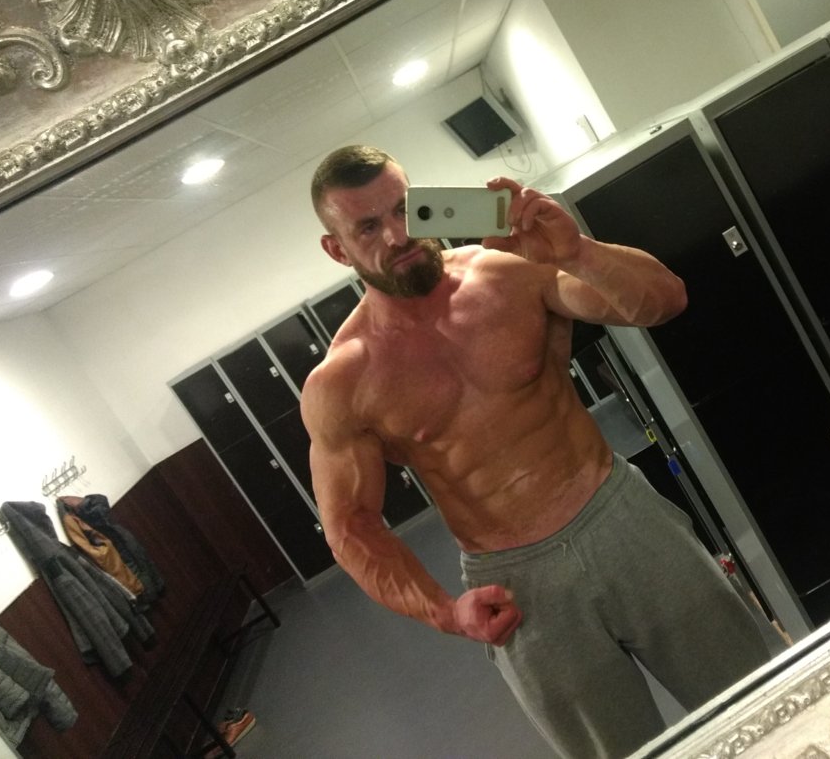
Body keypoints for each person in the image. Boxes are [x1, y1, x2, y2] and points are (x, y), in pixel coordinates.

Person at [302, 145, 774, 759]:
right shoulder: (343, 380)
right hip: (517, 587)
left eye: (404, 209)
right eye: (368, 227)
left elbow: (664, 300)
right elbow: (350, 528)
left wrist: (577, 251)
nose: (398, 234)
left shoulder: (505, 274)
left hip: (622, 518)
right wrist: (447, 612)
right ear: (337, 249)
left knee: (759, 698)